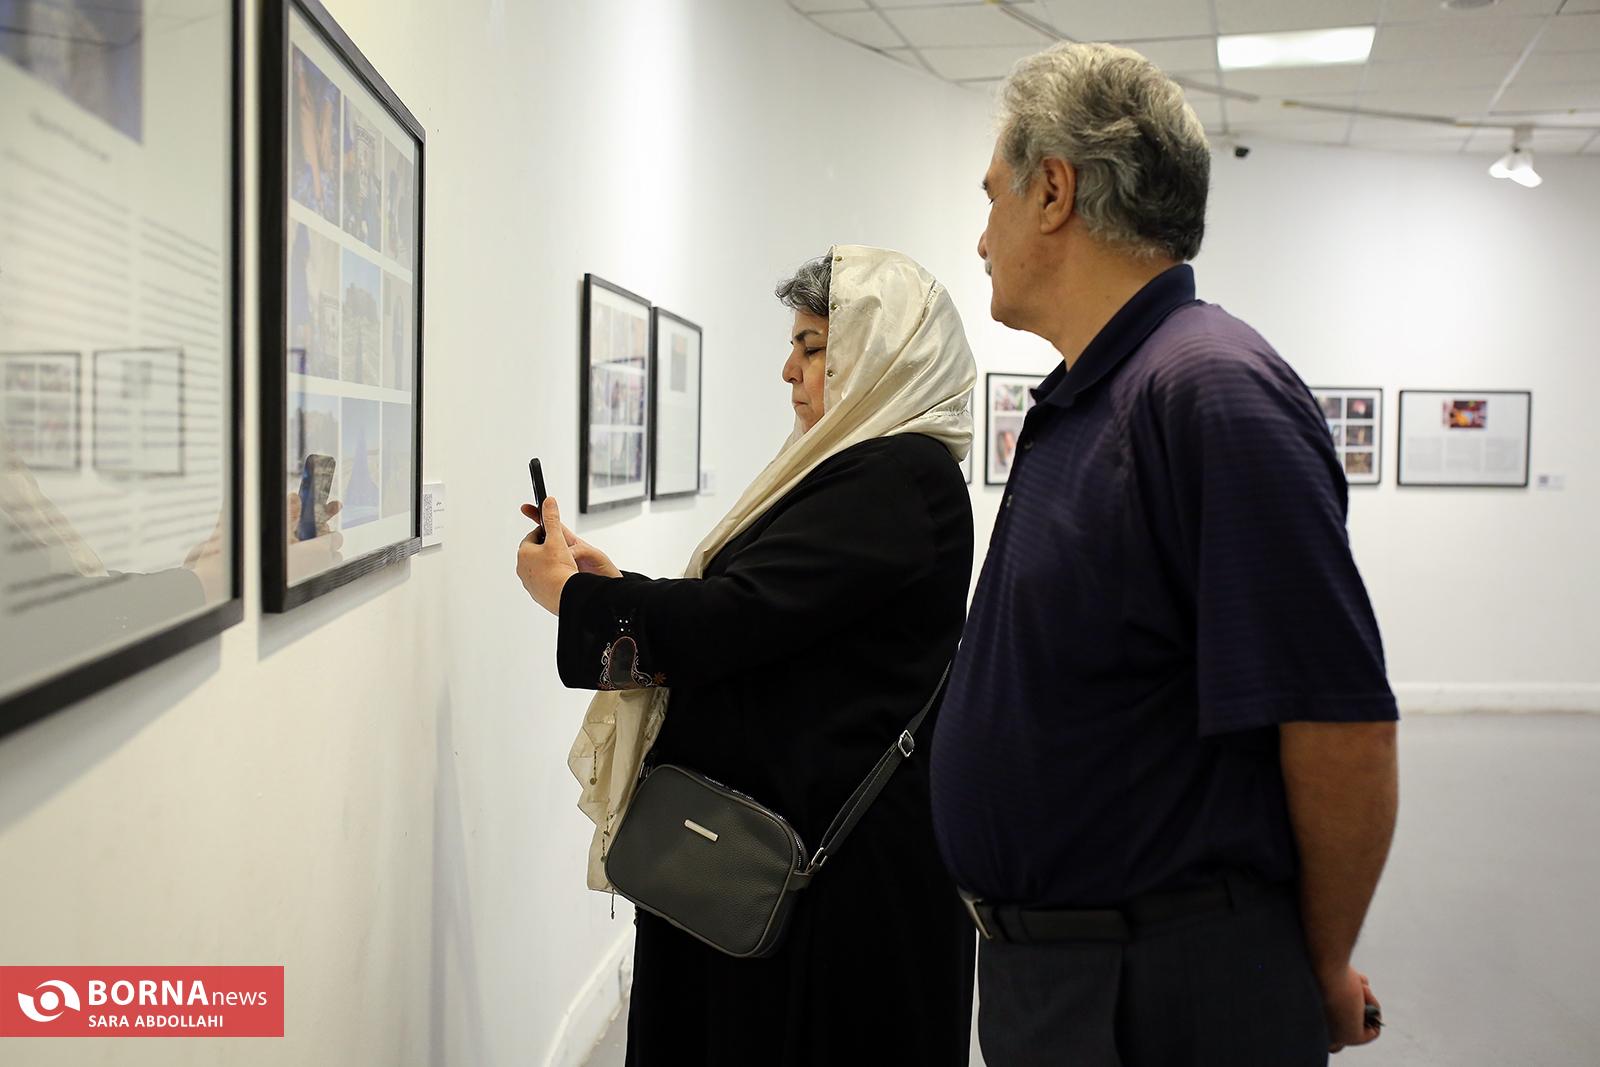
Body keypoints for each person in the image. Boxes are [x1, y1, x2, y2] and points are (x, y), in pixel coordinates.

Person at [929, 43, 1400, 1066]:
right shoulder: (1096, 392)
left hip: (1156, 993)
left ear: (1053, 191)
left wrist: (1318, 965)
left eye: (992, 196)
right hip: (1067, 977)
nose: (980, 236)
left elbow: (1340, 724)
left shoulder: (1207, 390)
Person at [516, 247, 979, 1066]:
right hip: (782, 857)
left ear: (882, 354)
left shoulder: (898, 478)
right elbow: (771, 616)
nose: (788, 370)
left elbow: (736, 621)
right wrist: (615, 588)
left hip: (823, 884)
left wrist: (574, 599)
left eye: (812, 346)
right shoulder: (863, 470)